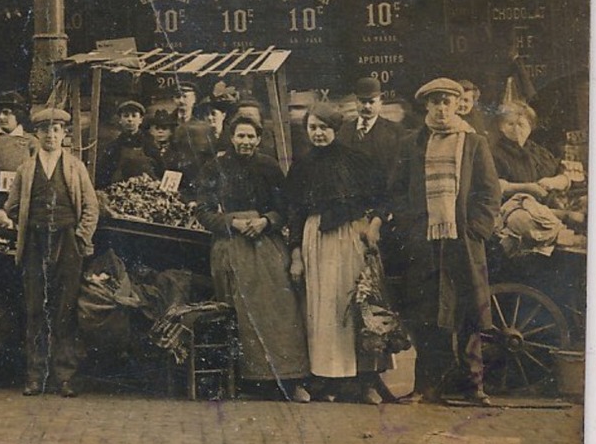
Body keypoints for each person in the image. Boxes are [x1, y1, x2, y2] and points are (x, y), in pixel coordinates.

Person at [386, 78, 501, 407]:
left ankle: (473, 386)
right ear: (426, 106)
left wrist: (476, 229)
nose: (440, 108)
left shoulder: (474, 143)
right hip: (425, 242)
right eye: (434, 102)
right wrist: (410, 225)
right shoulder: (412, 143)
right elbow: (396, 190)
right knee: (427, 314)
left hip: (462, 242)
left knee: (467, 314)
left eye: (447, 102)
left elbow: (490, 193)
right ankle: (426, 386)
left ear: (457, 105)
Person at [193, 117, 311, 401]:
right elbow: (203, 211)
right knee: (241, 311)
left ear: (259, 139)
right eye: (240, 136)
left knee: (282, 306)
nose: (245, 141)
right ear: (231, 138)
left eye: (251, 137)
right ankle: (251, 380)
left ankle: (289, 378)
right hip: (231, 245)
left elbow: (285, 207)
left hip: (266, 244)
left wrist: (266, 221)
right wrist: (230, 222)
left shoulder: (269, 166)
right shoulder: (215, 167)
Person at [285, 101, 387, 404]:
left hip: (351, 238)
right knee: (324, 309)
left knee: (356, 303)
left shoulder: (356, 160)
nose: (318, 133)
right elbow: (294, 212)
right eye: (312, 128)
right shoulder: (302, 166)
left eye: (324, 128)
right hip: (316, 239)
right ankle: (327, 379)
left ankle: (366, 379)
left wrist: (375, 226)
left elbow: (382, 197)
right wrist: (296, 255)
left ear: (336, 129)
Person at [0, 107, 100, 398]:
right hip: (35, 244)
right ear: (37, 134)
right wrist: (13, 223)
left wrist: (81, 237)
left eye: (56, 130)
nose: (51, 135)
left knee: (64, 309)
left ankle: (64, 376)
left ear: (64, 134)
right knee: (34, 309)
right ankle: (35, 376)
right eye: (45, 130)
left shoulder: (75, 167)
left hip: (68, 243)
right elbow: (12, 207)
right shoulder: (26, 169)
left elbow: (91, 207)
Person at [489, 100, 573, 202]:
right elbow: (493, 185)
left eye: (521, 124)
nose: (516, 129)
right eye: (510, 124)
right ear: (501, 127)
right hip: (516, 207)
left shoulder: (539, 151)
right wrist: (528, 188)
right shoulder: (494, 153)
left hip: (549, 204)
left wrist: (556, 181)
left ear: (530, 127)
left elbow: (560, 171)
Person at [339, 76, 404, 190]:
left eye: (371, 102)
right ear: (356, 102)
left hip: (382, 198)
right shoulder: (343, 130)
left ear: (380, 103)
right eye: (363, 101)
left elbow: (397, 172)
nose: (367, 106)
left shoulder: (395, 131)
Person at [96, 99, 158, 188]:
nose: (130, 119)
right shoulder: (114, 146)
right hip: (120, 192)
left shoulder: (149, 144)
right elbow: (103, 174)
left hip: (147, 191)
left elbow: (160, 169)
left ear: (140, 120)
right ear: (120, 120)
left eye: (134, 116)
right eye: (126, 116)